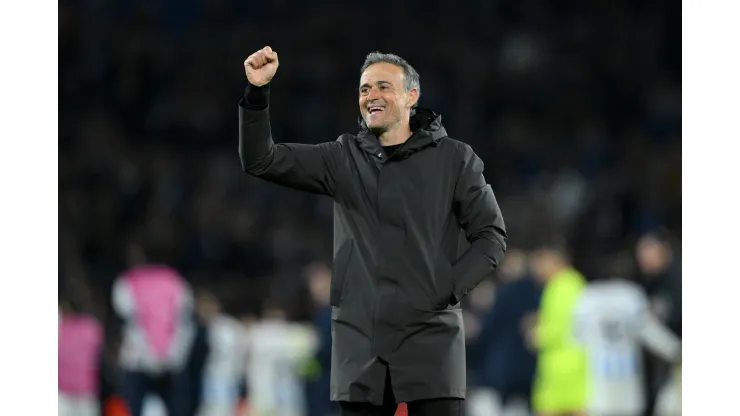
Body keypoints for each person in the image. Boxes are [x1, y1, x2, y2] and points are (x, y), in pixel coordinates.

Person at [238, 46, 507, 416]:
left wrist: (446, 288)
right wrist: (257, 93)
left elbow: (491, 236)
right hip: (361, 343)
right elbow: (260, 160)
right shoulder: (342, 157)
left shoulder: (455, 158)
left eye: (383, 86)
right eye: (364, 89)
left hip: (430, 338)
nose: (371, 96)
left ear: (411, 96)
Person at [572, 275, 681, 416]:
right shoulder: (631, 295)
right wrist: (675, 350)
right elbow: (650, 331)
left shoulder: (587, 297)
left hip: (598, 383)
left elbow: (576, 338)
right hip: (628, 381)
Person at [112, 263, 196, 416]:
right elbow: (184, 324)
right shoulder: (177, 281)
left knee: (133, 406)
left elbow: (128, 319)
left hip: (138, 361)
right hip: (171, 361)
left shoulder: (128, 281)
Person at [527, 244, 588, 416]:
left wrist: (535, 335)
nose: (536, 270)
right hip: (579, 367)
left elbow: (556, 329)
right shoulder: (577, 282)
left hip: (560, 370)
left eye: (539, 263)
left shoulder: (559, 287)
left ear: (552, 261)